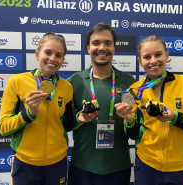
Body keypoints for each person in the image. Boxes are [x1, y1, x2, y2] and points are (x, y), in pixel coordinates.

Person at [115, 35, 183, 185]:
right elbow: (132, 135)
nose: (153, 61)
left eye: (158, 54)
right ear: (140, 61)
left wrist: (175, 117)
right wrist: (129, 120)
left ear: (167, 56)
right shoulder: (133, 91)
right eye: (147, 57)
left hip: (179, 169)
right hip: (146, 166)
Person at [0, 32, 79, 185]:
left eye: (58, 55)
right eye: (48, 52)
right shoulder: (16, 82)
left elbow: (67, 124)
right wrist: (28, 113)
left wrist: (80, 119)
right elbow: (3, 128)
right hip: (25, 164)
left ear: (63, 60)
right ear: (37, 54)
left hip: (58, 163)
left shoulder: (66, 87)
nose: (53, 59)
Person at [68, 22, 136, 185]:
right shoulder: (75, 81)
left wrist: (130, 120)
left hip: (118, 167)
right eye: (96, 43)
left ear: (114, 47)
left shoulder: (129, 81)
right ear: (88, 47)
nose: (102, 48)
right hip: (82, 166)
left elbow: (134, 132)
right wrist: (79, 118)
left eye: (108, 43)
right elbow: (66, 124)